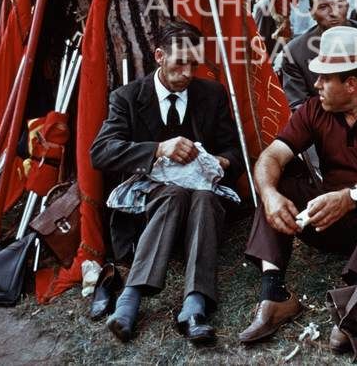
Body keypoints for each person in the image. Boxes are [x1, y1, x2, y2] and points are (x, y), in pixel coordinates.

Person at [240, 26, 357, 349]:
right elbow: (272, 154)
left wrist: (352, 197)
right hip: (328, 220)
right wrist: (269, 195)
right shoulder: (315, 108)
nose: (316, 85)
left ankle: (355, 298)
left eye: (325, 78)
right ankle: (274, 294)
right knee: (278, 179)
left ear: (351, 84)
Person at [90, 21, 243, 343]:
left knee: (201, 196)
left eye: (194, 64)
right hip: (148, 207)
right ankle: (130, 299)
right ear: (159, 55)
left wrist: (222, 161)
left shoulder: (211, 94)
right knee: (172, 193)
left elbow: (234, 150)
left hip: (202, 205)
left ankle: (194, 305)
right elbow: (101, 153)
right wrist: (159, 149)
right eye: (179, 62)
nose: (187, 72)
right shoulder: (128, 97)